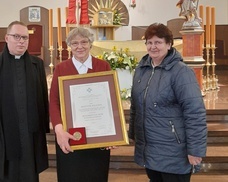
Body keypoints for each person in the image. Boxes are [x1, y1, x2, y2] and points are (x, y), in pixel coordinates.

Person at [128, 23, 207, 182]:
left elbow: (195, 113)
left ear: (169, 44)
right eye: (149, 42)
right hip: (150, 151)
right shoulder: (142, 69)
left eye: (158, 42)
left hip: (174, 152)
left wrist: (195, 150)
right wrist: (133, 135)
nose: (153, 47)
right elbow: (135, 106)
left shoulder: (181, 71)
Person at [0, 21, 50, 182]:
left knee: (28, 172)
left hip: (29, 134)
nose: (21, 41)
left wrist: (43, 129)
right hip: (0, 133)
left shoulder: (36, 64)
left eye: (25, 37)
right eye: (16, 36)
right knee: (0, 172)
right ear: (6, 38)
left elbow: (43, 98)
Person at [49, 27, 112, 182]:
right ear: (69, 46)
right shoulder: (61, 68)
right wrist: (58, 130)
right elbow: (54, 101)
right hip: (69, 134)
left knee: (96, 174)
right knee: (70, 175)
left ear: (90, 44)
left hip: (98, 135)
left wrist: (112, 133)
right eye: (75, 43)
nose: (80, 46)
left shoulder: (103, 66)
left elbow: (110, 101)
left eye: (84, 42)